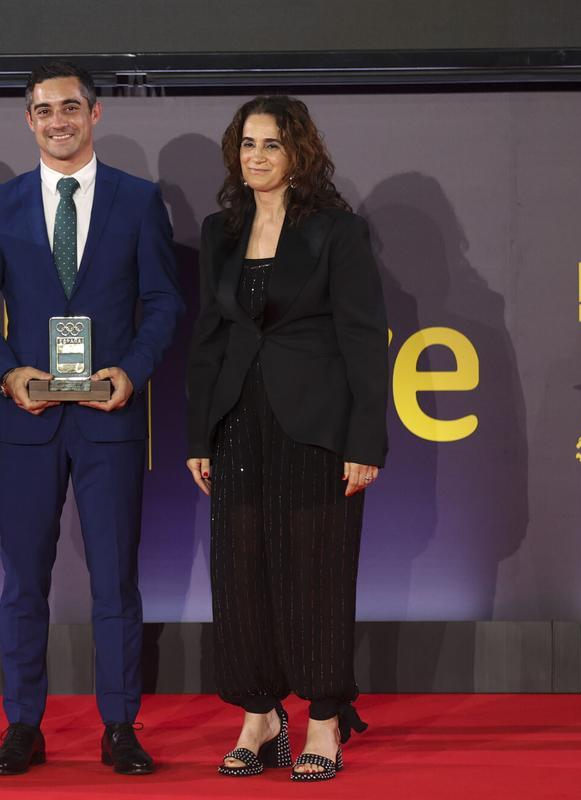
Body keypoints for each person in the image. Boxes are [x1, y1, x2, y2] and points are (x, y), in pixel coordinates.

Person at [0, 60, 183, 776]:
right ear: (29, 120)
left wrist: (132, 371)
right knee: (23, 581)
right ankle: (23, 724)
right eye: (44, 110)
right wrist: (9, 372)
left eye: (70, 107)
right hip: (28, 419)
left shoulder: (139, 200)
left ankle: (120, 726)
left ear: (95, 114)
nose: (58, 120)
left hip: (108, 418)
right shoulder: (1, 203)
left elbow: (165, 303)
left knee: (116, 581)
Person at [185, 95, 388, 781]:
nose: (256, 157)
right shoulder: (220, 230)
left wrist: (366, 441)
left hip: (317, 427)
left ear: (299, 152)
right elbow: (208, 340)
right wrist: (198, 435)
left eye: (271, 144)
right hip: (238, 422)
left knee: (316, 572)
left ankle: (325, 720)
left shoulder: (337, 231)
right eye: (247, 144)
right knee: (239, 572)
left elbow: (364, 340)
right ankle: (260, 716)